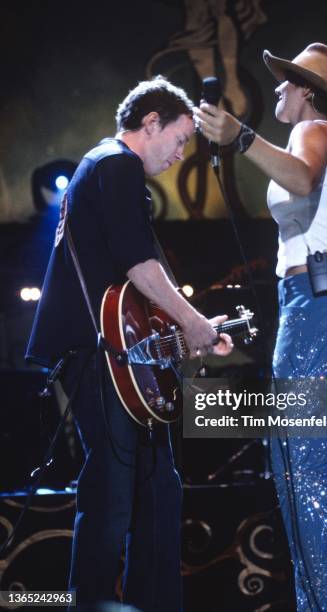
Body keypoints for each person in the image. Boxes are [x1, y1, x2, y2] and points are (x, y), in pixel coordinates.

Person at [195, 43, 327, 610]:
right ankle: (326, 601)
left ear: (307, 91)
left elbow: (302, 182)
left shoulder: (313, 131)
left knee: (304, 468)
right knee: (308, 465)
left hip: (316, 307)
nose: (276, 90)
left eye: (284, 84)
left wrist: (241, 137)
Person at [26, 76, 232, 611]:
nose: (183, 153)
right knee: (114, 493)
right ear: (150, 123)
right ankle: (91, 602)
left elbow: (124, 276)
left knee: (159, 489)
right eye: (181, 138)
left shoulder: (102, 169)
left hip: (120, 353)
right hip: (100, 355)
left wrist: (184, 326)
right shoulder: (116, 164)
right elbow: (140, 263)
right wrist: (193, 323)